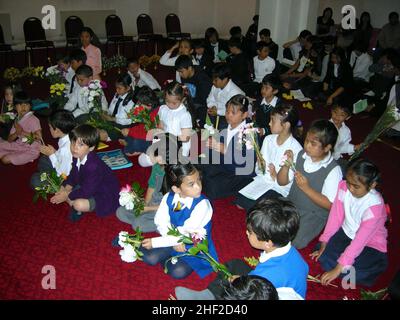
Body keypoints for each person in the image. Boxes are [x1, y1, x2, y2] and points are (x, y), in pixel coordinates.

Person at [174, 198, 309, 300]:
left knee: (234, 289)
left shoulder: (267, 275)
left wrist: (240, 283)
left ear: (268, 243)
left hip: (264, 294)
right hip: (270, 285)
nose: (246, 233)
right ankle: (208, 295)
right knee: (236, 264)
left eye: (250, 232)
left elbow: (256, 291)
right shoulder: (292, 253)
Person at [311, 158, 388, 287]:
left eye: (356, 186)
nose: (350, 188)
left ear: (372, 185)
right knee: (323, 253)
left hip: (370, 244)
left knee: (349, 268)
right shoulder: (343, 187)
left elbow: (360, 240)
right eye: (349, 183)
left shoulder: (375, 206)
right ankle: (342, 265)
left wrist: (337, 269)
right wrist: (325, 241)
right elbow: (335, 217)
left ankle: (364, 268)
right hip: (346, 233)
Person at [140, 163, 219, 280]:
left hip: (193, 245)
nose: (198, 187)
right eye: (191, 184)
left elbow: (185, 232)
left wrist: (156, 243)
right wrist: (173, 242)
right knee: (149, 258)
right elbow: (160, 221)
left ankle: (166, 256)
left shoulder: (203, 205)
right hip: (172, 239)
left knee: (178, 272)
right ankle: (138, 245)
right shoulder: (169, 197)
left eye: (199, 180)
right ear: (176, 189)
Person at [277, 119, 342, 249]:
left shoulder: (333, 170)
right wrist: (286, 165)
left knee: (294, 241)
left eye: (313, 144)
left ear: (327, 147)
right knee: (264, 213)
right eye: (306, 141)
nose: (307, 146)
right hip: (292, 203)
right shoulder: (301, 155)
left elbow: (330, 205)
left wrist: (306, 188)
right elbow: (281, 181)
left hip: (313, 214)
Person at [235, 104, 302, 212]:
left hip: (278, 188)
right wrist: (260, 164)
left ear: (286, 125)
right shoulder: (268, 139)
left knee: (260, 208)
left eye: (273, 120)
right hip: (263, 181)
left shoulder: (295, 149)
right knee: (240, 199)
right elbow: (260, 170)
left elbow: (284, 183)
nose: (269, 123)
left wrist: (275, 174)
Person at [50, 124, 120, 222]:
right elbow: (73, 175)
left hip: (104, 193)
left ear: (91, 148)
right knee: (61, 188)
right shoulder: (77, 156)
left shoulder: (93, 167)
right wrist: (65, 189)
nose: (75, 147)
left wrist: (67, 195)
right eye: (73, 142)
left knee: (78, 204)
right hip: (89, 185)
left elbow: (86, 191)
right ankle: (71, 199)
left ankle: (75, 205)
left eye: (81, 144)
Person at [116, 133, 182, 233]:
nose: (154, 157)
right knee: (120, 212)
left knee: (138, 225)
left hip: (167, 209)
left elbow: (176, 206)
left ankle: (163, 224)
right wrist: (145, 204)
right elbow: (151, 187)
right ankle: (155, 223)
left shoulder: (178, 173)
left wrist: (148, 209)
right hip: (153, 204)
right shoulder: (157, 166)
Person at [200, 95, 255, 200]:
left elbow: (245, 165)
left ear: (244, 115)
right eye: (227, 111)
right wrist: (211, 146)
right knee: (197, 163)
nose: (228, 115)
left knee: (212, 187)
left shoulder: (248, 133)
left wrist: (224, 150)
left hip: (237, 172)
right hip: (223, 164)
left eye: (233, 113)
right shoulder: (224, 125)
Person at [138, 81, 194, 167]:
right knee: (145, 160)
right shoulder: (163, 109)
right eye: (167, 101)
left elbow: (185, 138)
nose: (170, 105)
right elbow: (160, 128)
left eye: (174, 103)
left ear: (182, 99)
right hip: (165, 145)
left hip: (178, 146)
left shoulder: (184, 115)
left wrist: (183, 156)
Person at [30, 110, 76, 189]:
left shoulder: (66, 148)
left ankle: (55, 185)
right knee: (44, 159)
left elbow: (63, 174)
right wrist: (55, 152)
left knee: (34, 180)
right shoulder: (68, 137)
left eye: (50, 127)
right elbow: (62, 157)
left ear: (57, 130)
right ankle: (47, 175)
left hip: (65, 177)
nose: (49, 129)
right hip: (64, 165)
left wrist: (52, 155)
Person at [0, 91, 41, 165]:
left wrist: (21, 132)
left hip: (32, 149)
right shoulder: (17, 119)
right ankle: (15, 154)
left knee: (4, 160)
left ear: (30, 106)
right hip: (19, 145)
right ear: (15, 106)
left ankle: (27, 157)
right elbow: (9, 139)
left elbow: (38, 137)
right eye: (20, 104)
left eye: (26, 104)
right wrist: (16, 133)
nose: (23, 107)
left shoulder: (33, 119)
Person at [119, 86, 160, 156]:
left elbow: (151, 136)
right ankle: (132, 146)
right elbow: (141, 127)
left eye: (140, 104)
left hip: (154, 141)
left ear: (149, 104)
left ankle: (135, 148)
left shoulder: (157, 113)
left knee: (136, 142)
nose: (137, 106)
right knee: (127, 135)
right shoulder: (146, 111)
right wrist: (129, 130)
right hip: (145, 137)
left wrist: (130, 132)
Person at [175, 54, 213, 125]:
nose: (180, 74)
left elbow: (205, 100)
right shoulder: (185, 75)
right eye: (179, 72)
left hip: (203, 106)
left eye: (181, 71)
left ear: (189, 68)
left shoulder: (202, 78)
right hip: (191, 103)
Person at [206, 64, 245, 130]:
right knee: (207, 122)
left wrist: (217, 111)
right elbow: (210, 99)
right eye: (213, 79)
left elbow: (234, 111)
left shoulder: (235, 92)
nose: (213, 82)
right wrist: (213, 106)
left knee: (221, 128)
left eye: (216, 80)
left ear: (225, 79)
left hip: (228, 116)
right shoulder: (215, 87)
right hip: (216, 113)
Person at [99, 73, 135, 141]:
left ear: (128, 88)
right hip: (113, 122)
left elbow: (129, 121)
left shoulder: (132, 101)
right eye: (116, 88)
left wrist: (113, 119)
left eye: (119, 88)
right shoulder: (117, 95)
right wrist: (106, 113)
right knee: (95, 128)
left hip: (123, 126)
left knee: (101, 134)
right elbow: (111, 109)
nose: (117, 90)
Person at [330, 104, 360, 169]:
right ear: (331, 111)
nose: (337, 116)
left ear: (347, 117)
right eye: (335, 112)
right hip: (321, 156)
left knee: (351, 169)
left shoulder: (346, 131)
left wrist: (354, 147)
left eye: (342, 115)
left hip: (335, 158)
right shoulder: (325, 126)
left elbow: (341, 147)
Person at [253, 74, 282, 139]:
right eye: (262, 87)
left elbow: (279, 126)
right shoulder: (259, 101)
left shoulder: (279, 106)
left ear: (275, 91)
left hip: (272, 135)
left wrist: (264, 130)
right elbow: (255, 117)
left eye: (267, 88)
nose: (263, 90)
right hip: (258, 131)